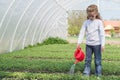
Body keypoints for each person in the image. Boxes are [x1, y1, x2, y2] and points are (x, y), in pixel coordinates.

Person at [77, 4, 105, 79]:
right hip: (88, 45)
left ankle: (98, 75)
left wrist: (103, 44)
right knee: (87, 60)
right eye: (89, 16)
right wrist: (79, 43)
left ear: (96, 14)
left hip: (97, 45)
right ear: (88, 14)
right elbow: (82, 32)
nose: (91, 17)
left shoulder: (99, 22)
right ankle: (86, 74)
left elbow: (102, 34)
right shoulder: (86, 22)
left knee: (97, 61)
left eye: (92, 15)